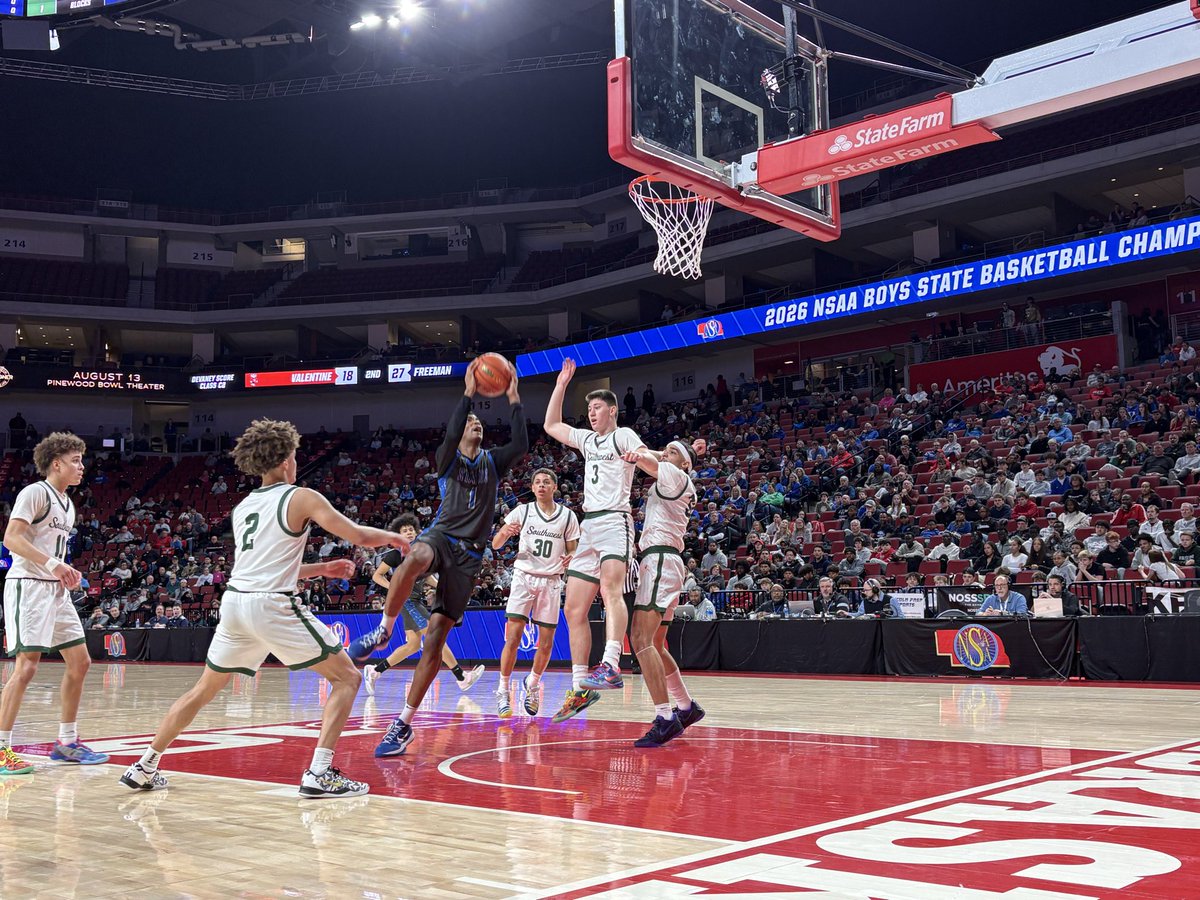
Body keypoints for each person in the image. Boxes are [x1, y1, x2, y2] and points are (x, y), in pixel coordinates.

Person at [119, 418, 407, 797]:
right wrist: (396, 539)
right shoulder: (300, 496)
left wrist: (320, 568)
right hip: (271, 605)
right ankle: (320, 773)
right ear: (287, 457)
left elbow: (259, 567)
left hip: (236, 604)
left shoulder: (242, 508)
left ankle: (144, 765)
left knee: (203, 690)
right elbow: (356, 535)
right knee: (348, 677)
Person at [350, 362, 526, 758]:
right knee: (413, 558)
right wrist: (467, 394)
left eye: (481, 422)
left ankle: (403, 724)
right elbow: (451, 430)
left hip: (469, 557)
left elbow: (521, 444)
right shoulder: (447, 459)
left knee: (434, 642)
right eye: (471, 421)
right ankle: (382, 630)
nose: (476, 424)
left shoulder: (493, 462)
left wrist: (513, 396)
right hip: (441, 537)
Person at [542, 358, 647, 722]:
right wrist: (560, 384)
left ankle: (612, 662)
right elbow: (551, 424)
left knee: (611, 591)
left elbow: (648, 459)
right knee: (573, 608)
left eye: (597, 407)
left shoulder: (624, 435)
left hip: (616, 521)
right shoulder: (588, 440)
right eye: (587, 408)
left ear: (612, 411)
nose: (591, 413)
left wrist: (644, 457)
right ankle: (579, 690)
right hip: (589, 525)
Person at [0, 433, 108, 775]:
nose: (81, 467)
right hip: (28, 586)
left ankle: (66, 743)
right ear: (56, 463)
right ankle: (2, 749)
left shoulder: (68, 504)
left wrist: (63, 570)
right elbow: (11, 538)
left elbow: (51, 550)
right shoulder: (35, 492)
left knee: (80, 662)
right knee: (26, 667)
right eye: (75, 460)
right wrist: (53, 565)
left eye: (81, 460)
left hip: (54, 590)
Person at [620, 440, 706, 746]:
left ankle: (665, 717)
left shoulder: (674, 474)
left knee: (640, 639)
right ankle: (686, 706)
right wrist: (685, 451)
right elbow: (661, 458)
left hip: (659, 560)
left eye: (671, 452)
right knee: (655, 643)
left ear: (682, 463)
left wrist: (634, 451)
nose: (664, 454)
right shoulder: (680, 475)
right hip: (668, 562)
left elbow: (653, 461)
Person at [361, 514, 485, 697]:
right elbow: (376, 576)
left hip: (416, 600)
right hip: (406, 600)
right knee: (435, 636)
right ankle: (461, 678)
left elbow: (427, 578)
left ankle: (375, 671)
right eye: (404, 531)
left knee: (412, 646)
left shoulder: (421, 552)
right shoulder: (396, 554)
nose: (409, 532)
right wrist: (395, 587)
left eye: (411, 529)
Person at [490, 468, 580, 718]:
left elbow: (573, 549)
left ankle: (532, 683)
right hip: (523, 577)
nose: (541, 485)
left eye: (546, 482)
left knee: (547, 641)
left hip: (551, 581)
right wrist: (506, 533)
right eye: (537, 482)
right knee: (513, 637)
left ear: (554, 487)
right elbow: (496, 544)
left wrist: (570, 557)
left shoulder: (568, 516)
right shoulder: (523, 510)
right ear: (532, 488)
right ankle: (503, 690)